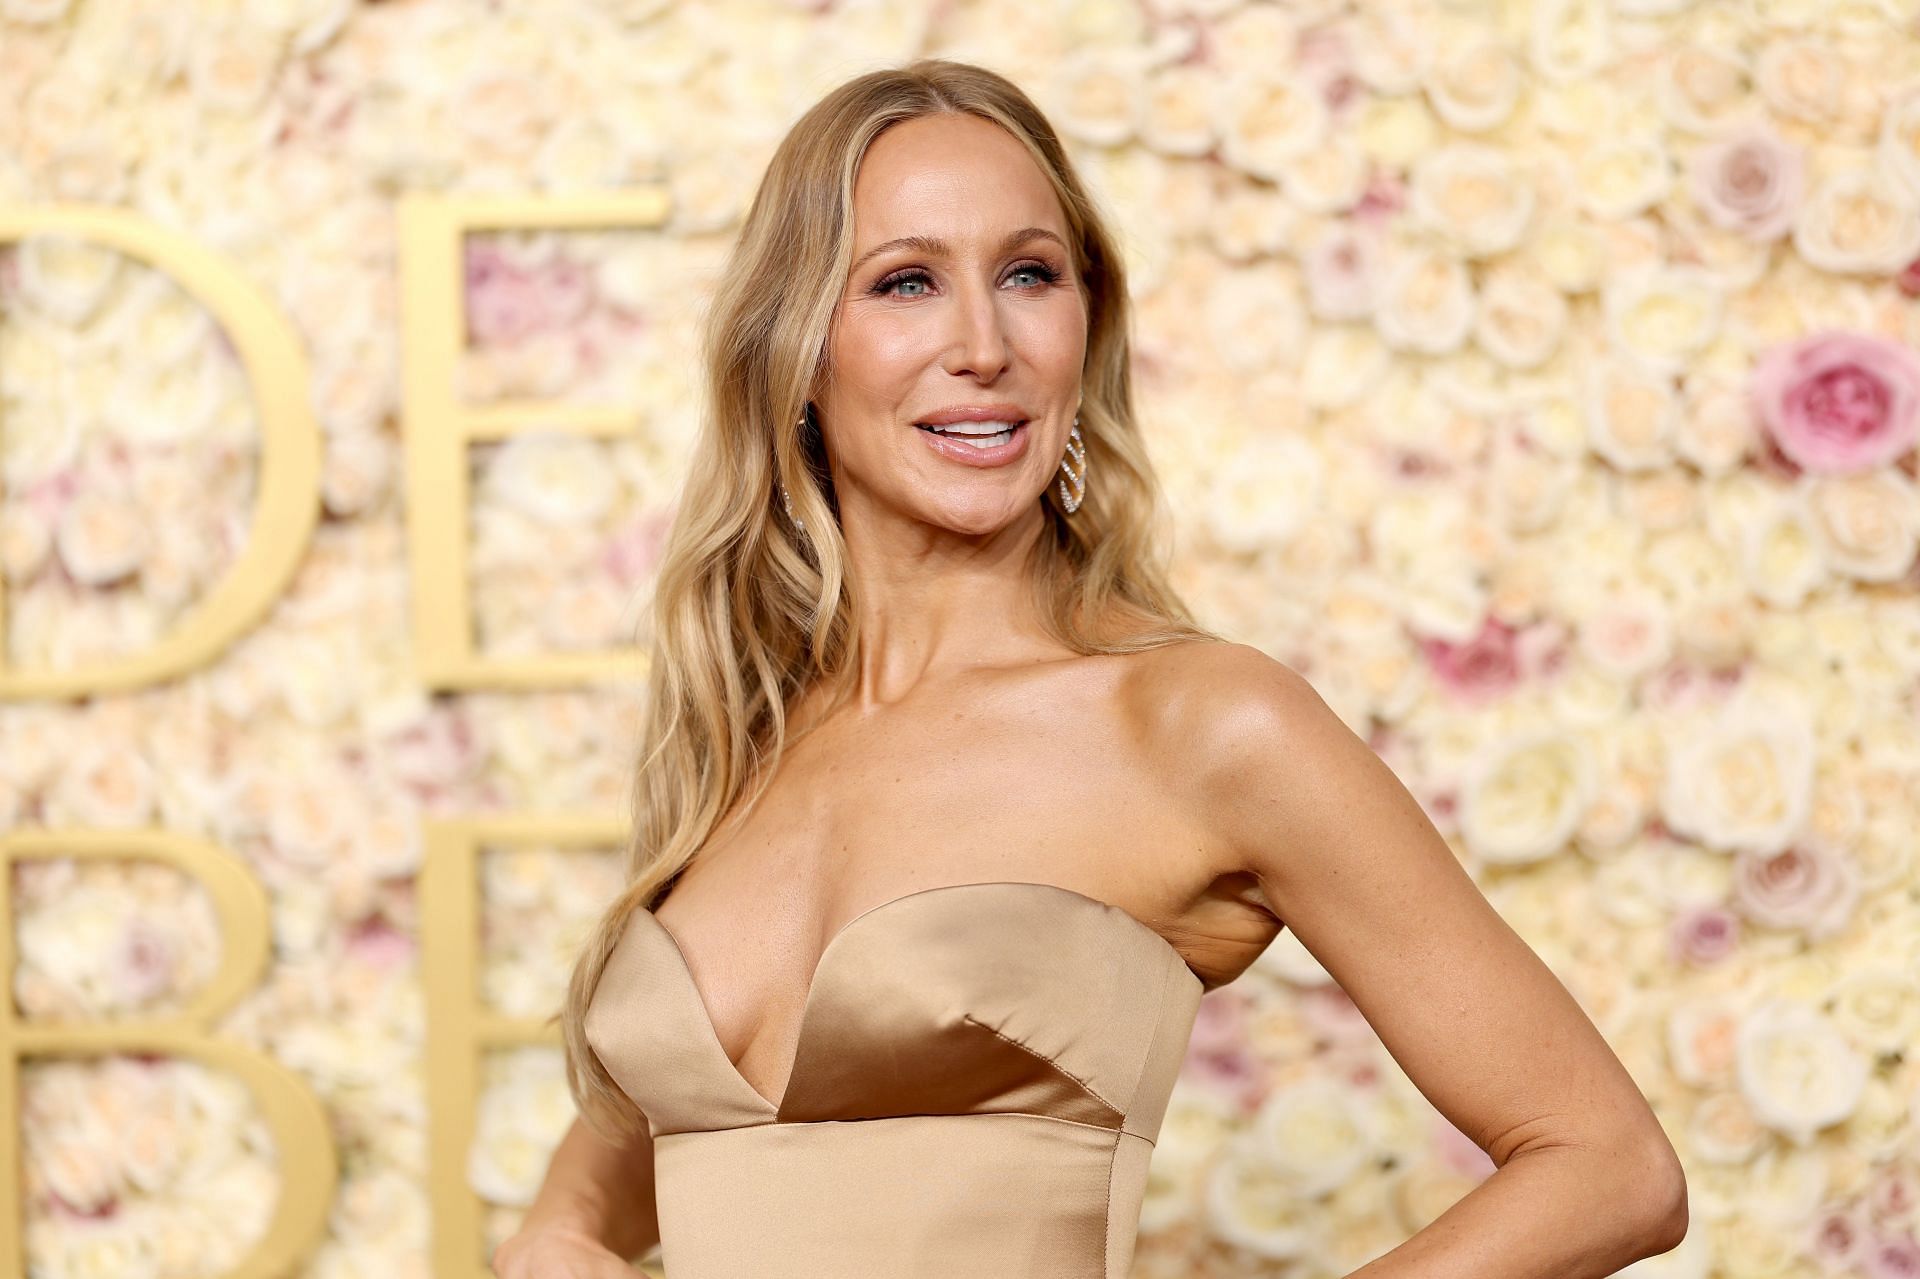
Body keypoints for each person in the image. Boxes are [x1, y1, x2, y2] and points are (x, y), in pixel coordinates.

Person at [491, 58, 1688, 1279]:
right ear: (796, 350)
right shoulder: (746, 729)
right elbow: (667, 1130)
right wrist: (558, 1232)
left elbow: (1610, 1167)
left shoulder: (1202, 726)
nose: (984, 345)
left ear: (1085, 324)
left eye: (1029, 276)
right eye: (906, 282)